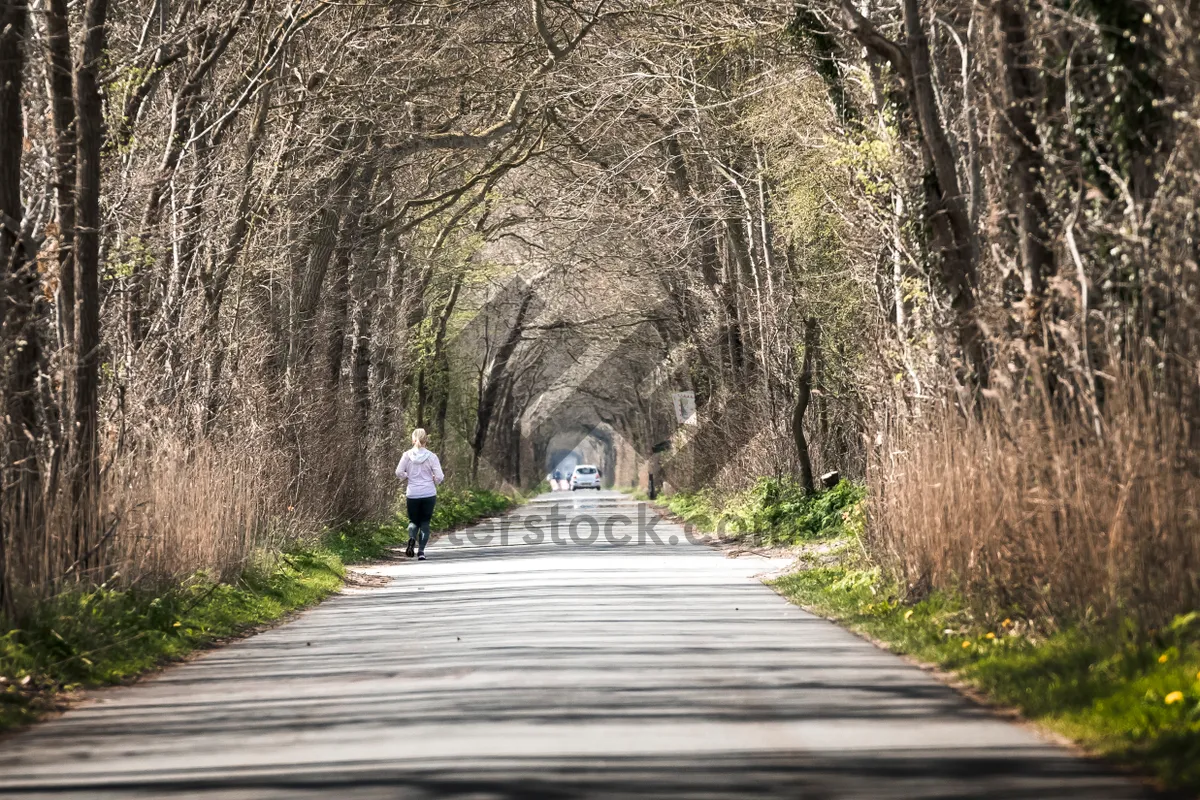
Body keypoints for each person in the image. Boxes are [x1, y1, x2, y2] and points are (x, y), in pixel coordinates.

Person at [395, 428, 444, 560]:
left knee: (413, 521)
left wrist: (407, 475)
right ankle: (421, 552)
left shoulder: (406, 455)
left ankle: (411, 538)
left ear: (413, 440)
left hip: (412, 493)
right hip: (428, 493)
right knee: (425, 523)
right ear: (426, 440)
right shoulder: (432, 457)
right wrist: (434, 479)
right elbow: (439, 477)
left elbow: (398, 472)